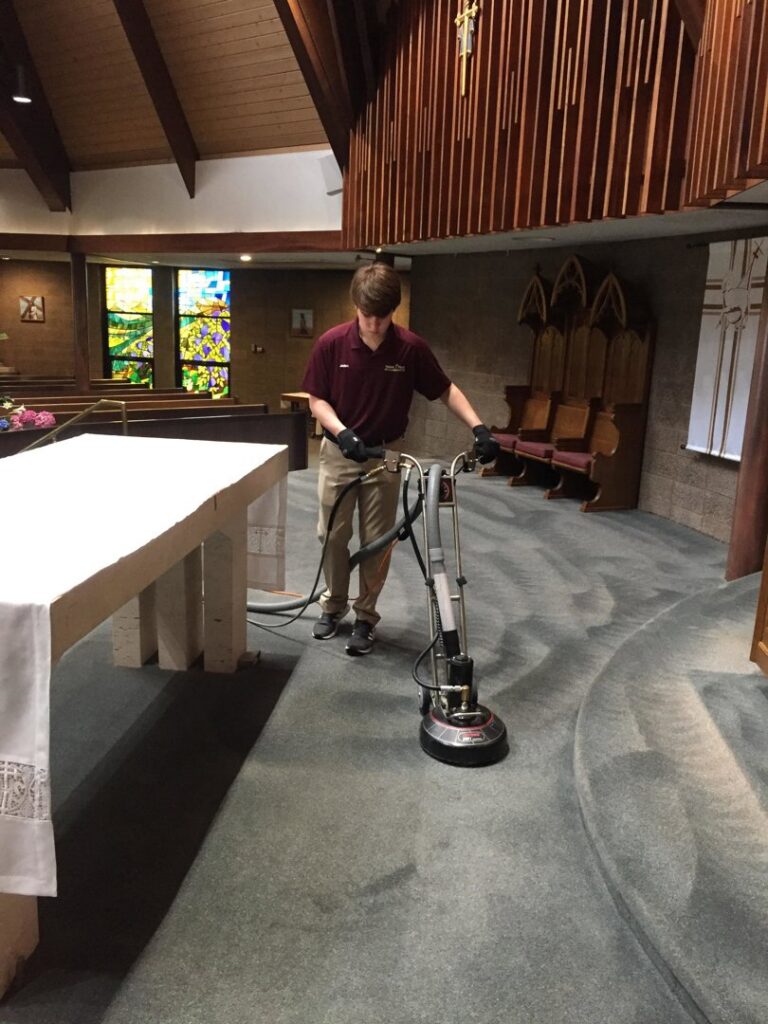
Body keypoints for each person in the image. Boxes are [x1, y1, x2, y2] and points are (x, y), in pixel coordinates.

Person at [301, 263, 499, 656]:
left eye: (383, 315)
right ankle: (333, 604)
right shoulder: (332, 343)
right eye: (367, 314)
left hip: (386, 457)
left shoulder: (410, 348)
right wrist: (342, 432)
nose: (374, 324)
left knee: (377, 542)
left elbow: (445, 390)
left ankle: (365, 617)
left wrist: (479, 428)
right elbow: (316, 400)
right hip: (340, 453)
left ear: (395, 310)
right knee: (332, 535)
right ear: (356, 305)